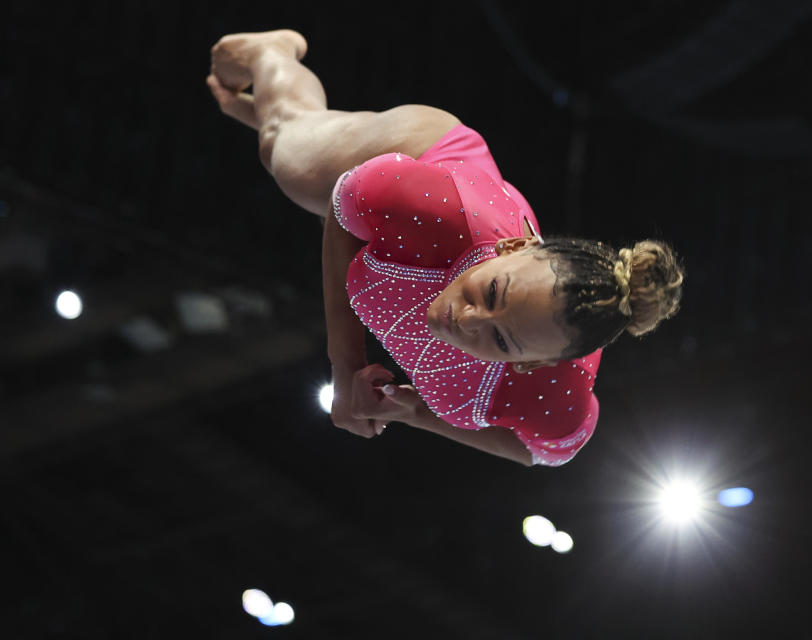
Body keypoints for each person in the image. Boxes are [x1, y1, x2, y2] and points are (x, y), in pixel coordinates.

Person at [207, 30, 684, 467]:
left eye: (502, 341)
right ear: (514, 246)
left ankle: (281, 116)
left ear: (534, 362)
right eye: (493, 293)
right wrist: (346, 363)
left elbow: (540, 454)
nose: (470, 319)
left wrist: (412, 411)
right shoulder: (439, 211)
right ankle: (273, 56)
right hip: (422, 155)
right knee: (284, 157)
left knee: (287, 148)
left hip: (409, 221)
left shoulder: (554, 395)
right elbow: (339, 205)